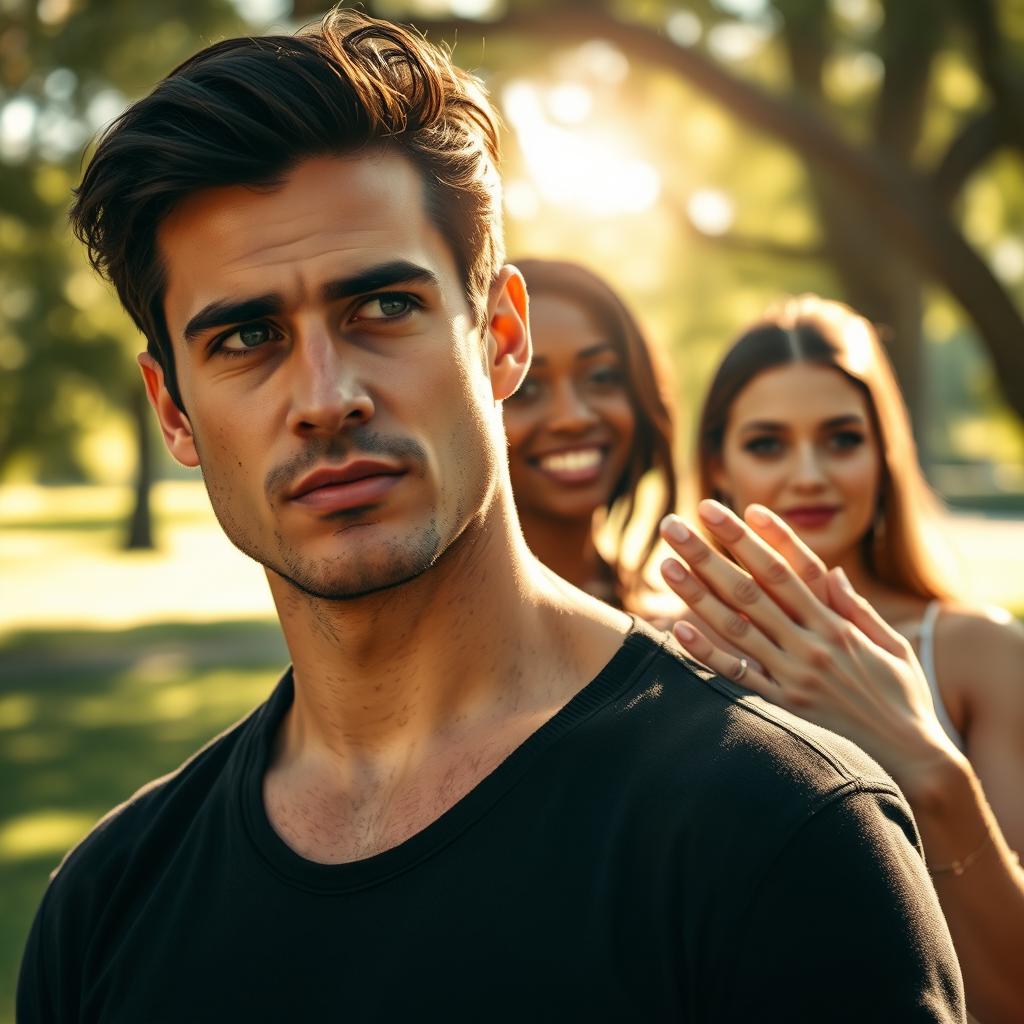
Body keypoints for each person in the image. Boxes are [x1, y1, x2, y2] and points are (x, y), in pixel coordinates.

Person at [18, 13, 965, 1022]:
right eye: (247, 336)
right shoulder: (106, 903)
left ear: (500, 335)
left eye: (381, 308)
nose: (326, 395)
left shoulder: (777, 829)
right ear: (173, 410)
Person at [662, 294, 1024, 1023]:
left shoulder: (979, 653)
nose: (810, 475)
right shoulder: (658, 659)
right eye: (767, 443)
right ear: (717, 464)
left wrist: (926, 765)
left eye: (841, 439)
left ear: (884, 454)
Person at [503, 258, 676, 610]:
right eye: (525, 389)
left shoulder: (683, 631)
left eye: (601, 377)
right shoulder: (419, 644)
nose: (573, 418)